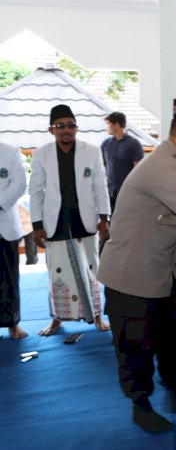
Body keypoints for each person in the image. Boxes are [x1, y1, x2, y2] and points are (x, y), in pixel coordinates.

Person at [98, 99, 176, 433]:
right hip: (131, 274)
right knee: (135, 345)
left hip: (165, 271)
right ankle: (141, 404)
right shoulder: (163, 168)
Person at [29, 104, 110, 337]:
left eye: (71, 125)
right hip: (55, 223)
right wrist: (37, 226)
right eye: (60, 126)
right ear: (51, 130)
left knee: (91, 268)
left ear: (77, 128)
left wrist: (104, 218)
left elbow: (100, 187)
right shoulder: (41, 154)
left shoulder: (91, 151)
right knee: (57, 271)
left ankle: (97, 316)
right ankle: (57, 319)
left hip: (86, 222)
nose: (66, 130)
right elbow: (36, 191)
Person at [0, 143, 28, 340]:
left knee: (9, 278)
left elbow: (19, 183)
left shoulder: (10, 152)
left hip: (5, 225)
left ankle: (12, 323)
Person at [100, 111, 144, 212]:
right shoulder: (106, 143)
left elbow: (138, 171)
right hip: (110, 192)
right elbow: (100, 167)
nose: (107, 127)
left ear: (116, 125)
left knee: (126, 223)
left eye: (108, 124)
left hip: (127, 193)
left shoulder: (134, 144)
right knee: (112, 223)